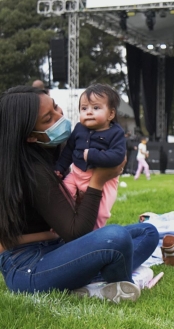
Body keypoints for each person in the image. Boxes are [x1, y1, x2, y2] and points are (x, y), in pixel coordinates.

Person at [0, 86, 159, 303]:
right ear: (29, 136)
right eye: (48, 118)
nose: (60, 116)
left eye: (55, 106)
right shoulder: (32, 171)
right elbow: (76, 232)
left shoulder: (53, 150)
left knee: (147, 232)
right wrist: (98, 181)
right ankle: (107, 279)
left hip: (57, 248)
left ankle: (93, 279)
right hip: (30, 268)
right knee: (116, 237)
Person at [55, 84, 126, 230]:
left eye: (96, 108)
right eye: (84, 108)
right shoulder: (79, 129)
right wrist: (60, 168)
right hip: (77, 174)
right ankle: (59, 226)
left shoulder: (116, 132)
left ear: (111, 114)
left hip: (105, 180)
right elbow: (69, 151)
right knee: (62, 196)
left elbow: (118, 157)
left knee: (101, 213)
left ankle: (95, 235)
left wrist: (93, 155)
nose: (89, 112)